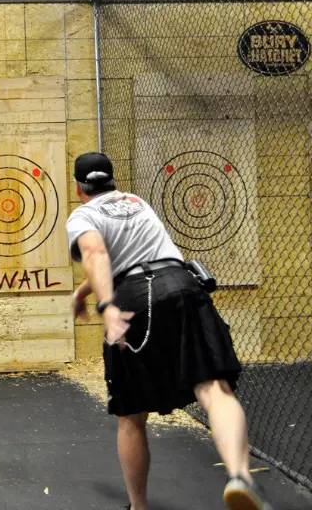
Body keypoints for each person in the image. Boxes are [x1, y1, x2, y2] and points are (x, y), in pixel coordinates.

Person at [66, 152, 273, 510]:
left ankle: (138, 507)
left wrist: (107, 305)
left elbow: (98, 253)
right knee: (214, 389)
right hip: (180, 285)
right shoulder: (136, 202)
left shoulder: (83, 215)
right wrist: (83, 291)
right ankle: (240, 475)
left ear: (79, 188)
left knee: (131, 416)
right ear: (112, 181)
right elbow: (126, 254)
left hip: (132, 297)